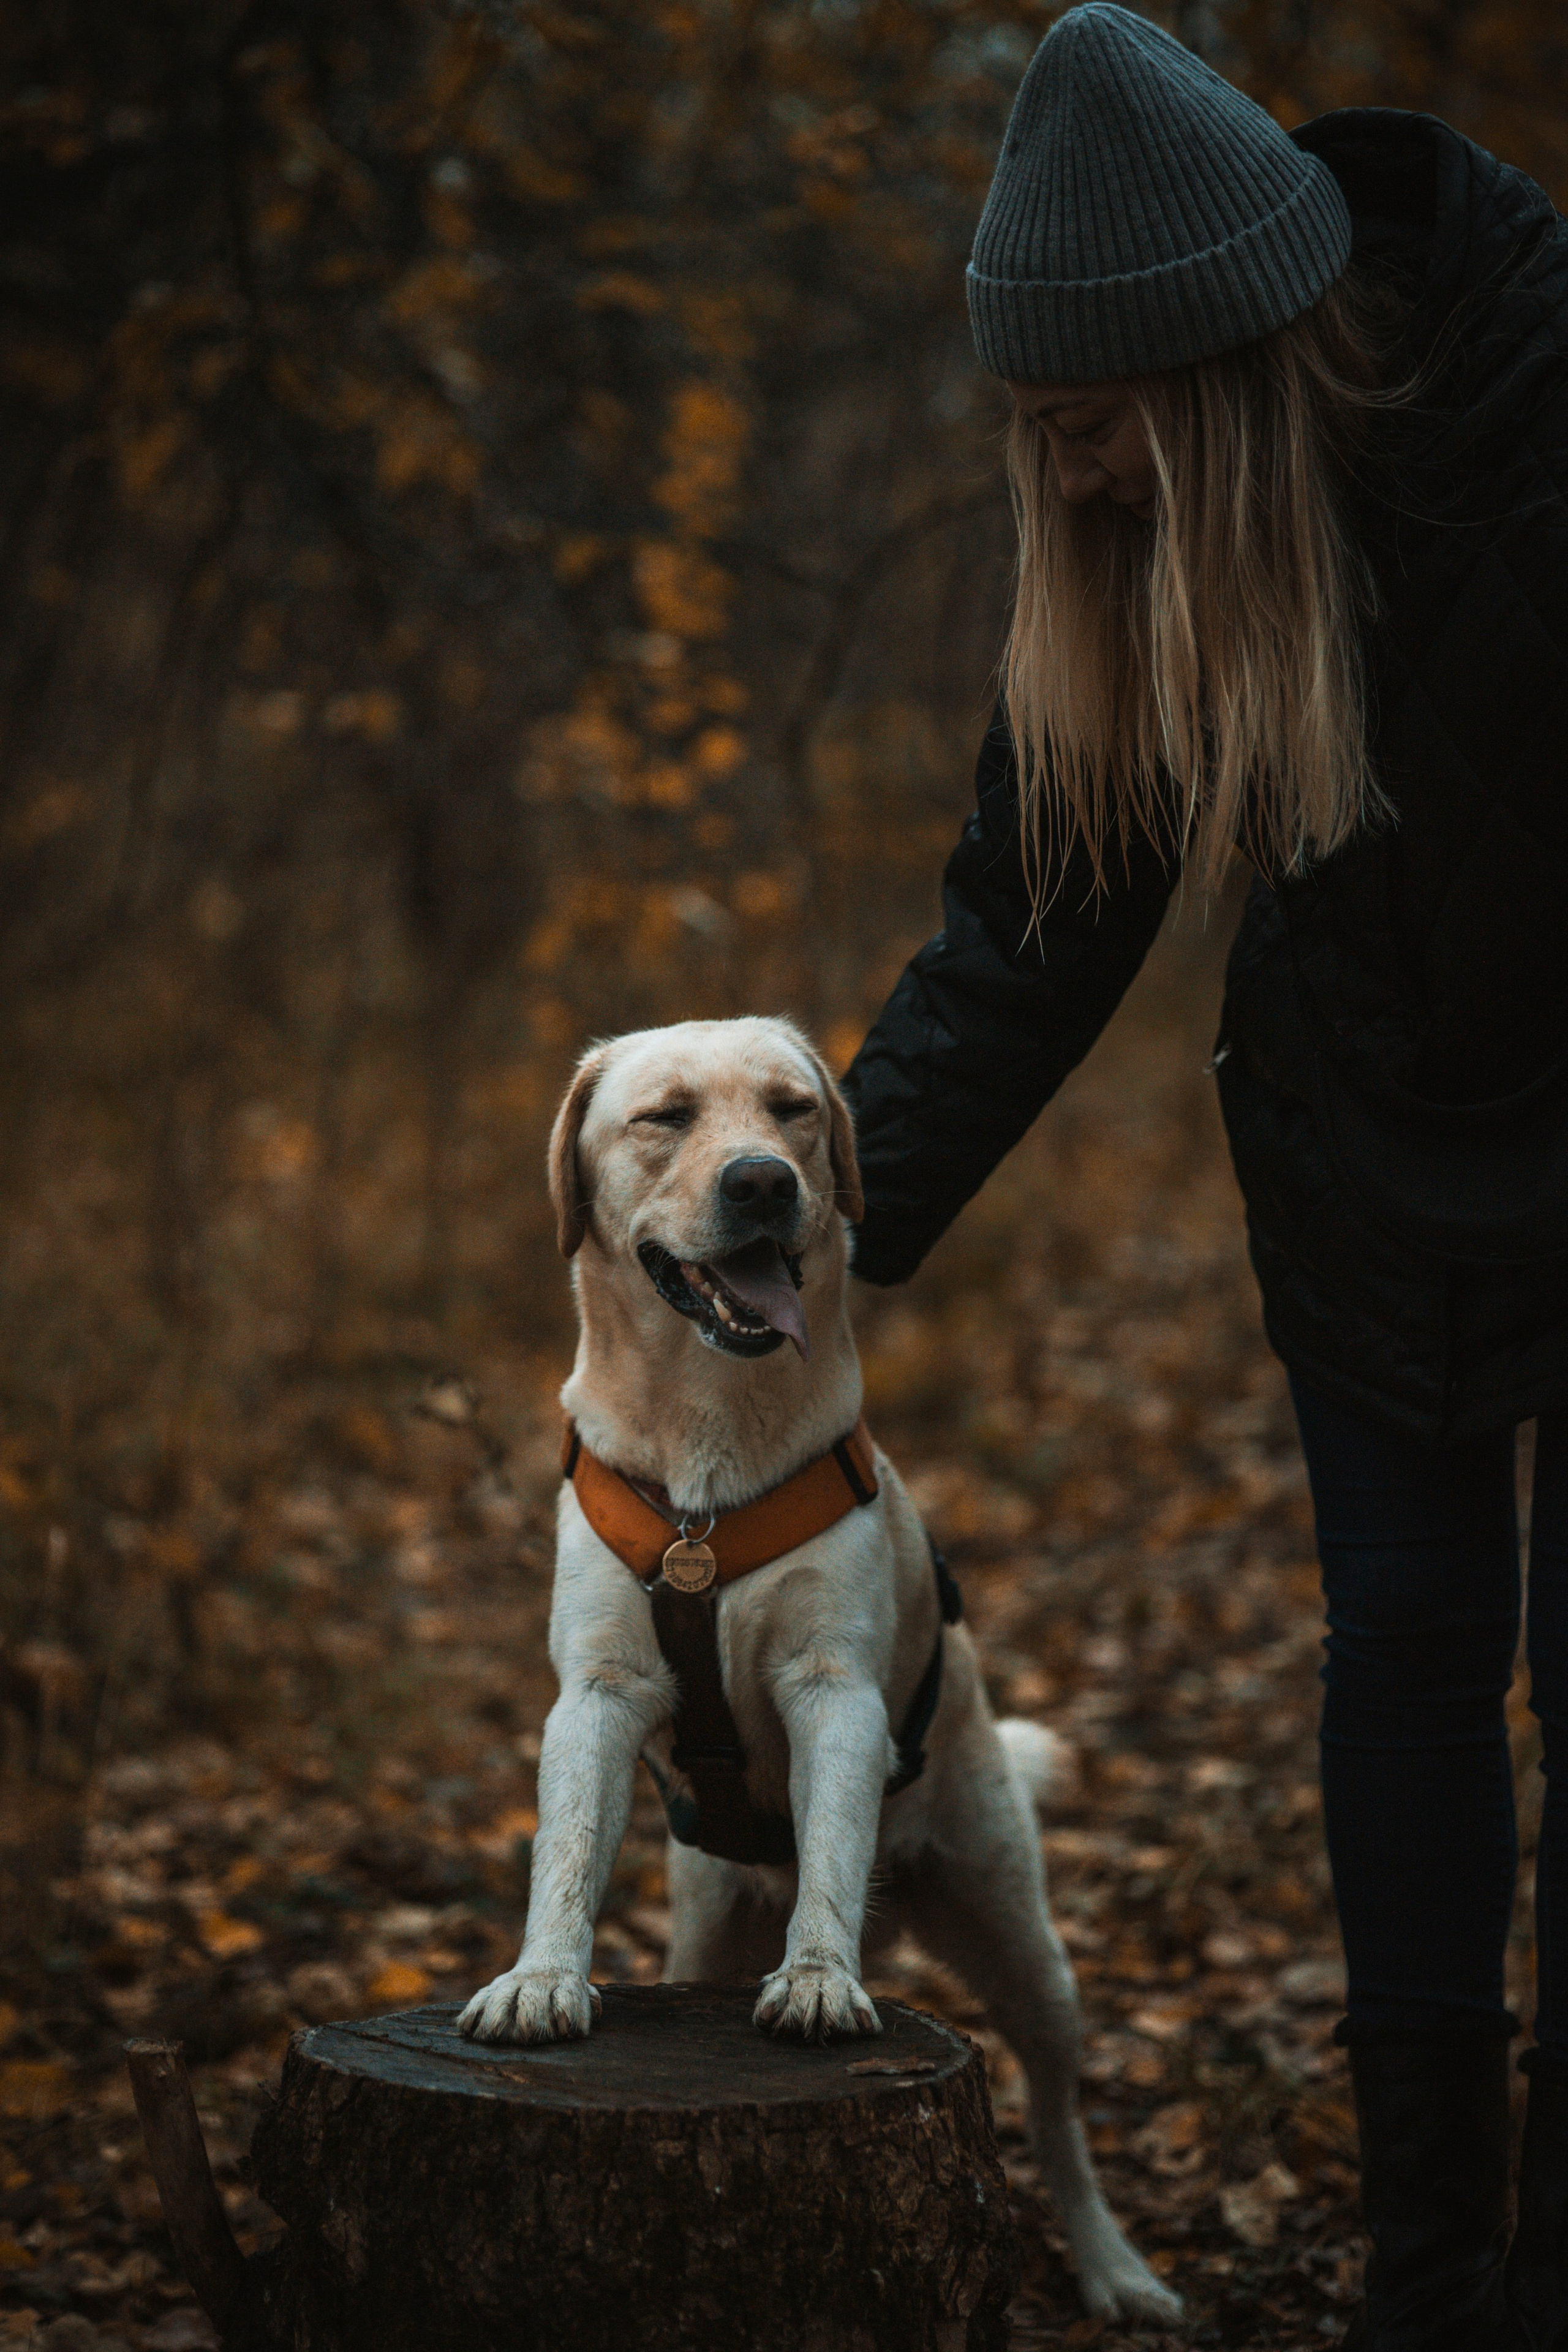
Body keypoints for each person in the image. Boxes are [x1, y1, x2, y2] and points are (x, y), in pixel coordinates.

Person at [839, 9, 1568, 2348]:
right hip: (1367, 1168)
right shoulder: (1140, 547)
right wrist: (806, 1238)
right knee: (1415, 1673)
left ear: (1215, 370)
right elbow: (1028, 928)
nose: (1059, 477)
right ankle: (1431, 2272)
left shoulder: (1537, 433)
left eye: (1085, 425)